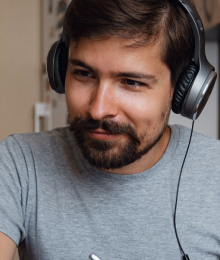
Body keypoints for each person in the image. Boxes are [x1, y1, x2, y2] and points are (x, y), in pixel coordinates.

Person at [0, 0, 219, 259]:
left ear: (183, 88)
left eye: (131, 82)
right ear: (60, 71)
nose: (98, 109)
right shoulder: (19, 162)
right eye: (84, 74)